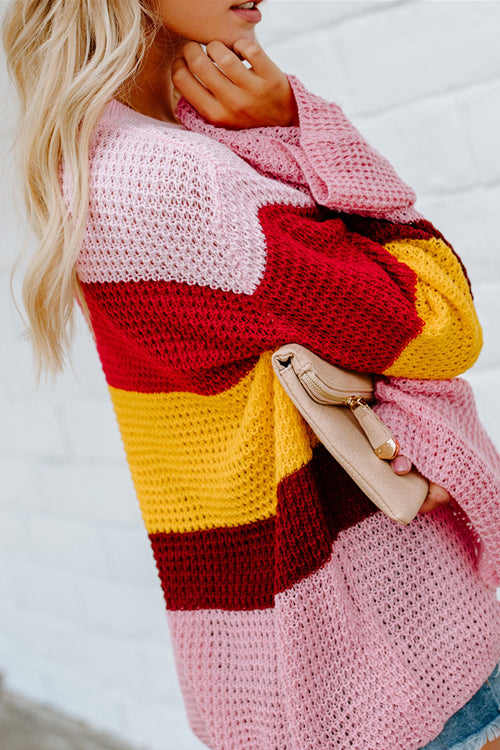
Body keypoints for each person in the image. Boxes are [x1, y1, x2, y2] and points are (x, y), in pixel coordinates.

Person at [3, 1, 500, 749]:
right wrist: (303, 124)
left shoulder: (106, 159)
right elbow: (440, 323)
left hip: (307, 649)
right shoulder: (171, 178)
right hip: (393, 657)